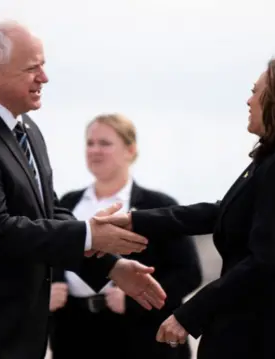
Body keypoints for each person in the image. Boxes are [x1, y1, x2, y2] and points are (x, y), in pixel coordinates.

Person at [0, 20, 166, 359]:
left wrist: (111, 266)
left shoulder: (27, 129)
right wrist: (89, 235)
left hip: (18, 335)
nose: (44, 77)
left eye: (43, 66)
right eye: (32, 68)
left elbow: (50, 213)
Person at [96, 56, 275, 359]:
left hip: (273, 328)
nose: (248, 101)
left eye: (256, 91)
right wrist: (135, 221)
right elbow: (221, 212)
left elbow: (264, 260)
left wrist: (189, 314)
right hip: (265, 321)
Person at [48, 113, 202, 359]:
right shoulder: (67, 204)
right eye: (90, 143)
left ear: (130, 150)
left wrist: (132, 300)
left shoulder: (157, 207)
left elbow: (189, 274)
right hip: (73, 333)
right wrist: (52, 286)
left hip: (140, 337)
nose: (94, 150)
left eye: (105, 143)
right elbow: (50, 252)